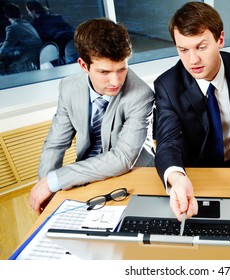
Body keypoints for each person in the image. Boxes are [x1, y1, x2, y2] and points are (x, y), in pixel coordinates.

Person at [30, 18, 155, 215]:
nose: (115, 81)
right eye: (104, 71)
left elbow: (122, 158)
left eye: (122, 69)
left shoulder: (141, 94)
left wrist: (57, 180)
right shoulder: (68, 87)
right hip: (88, 171)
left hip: (135, 172)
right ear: (83, 65)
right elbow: (55, 144)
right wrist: (47, 186)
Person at [154, 2, 230, 221]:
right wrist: (177, 178)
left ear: (220, 39)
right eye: (183, 50)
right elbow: (166, 143)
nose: (193, 60)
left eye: (201, 47)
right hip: (196, 175)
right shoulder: (168, 86)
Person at [0, 3, 42, 74]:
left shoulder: (12, 28)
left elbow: (3, 52)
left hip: (27, 64)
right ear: (20, 14)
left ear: (6, 16)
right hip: (36, 60)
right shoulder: (28, 24)